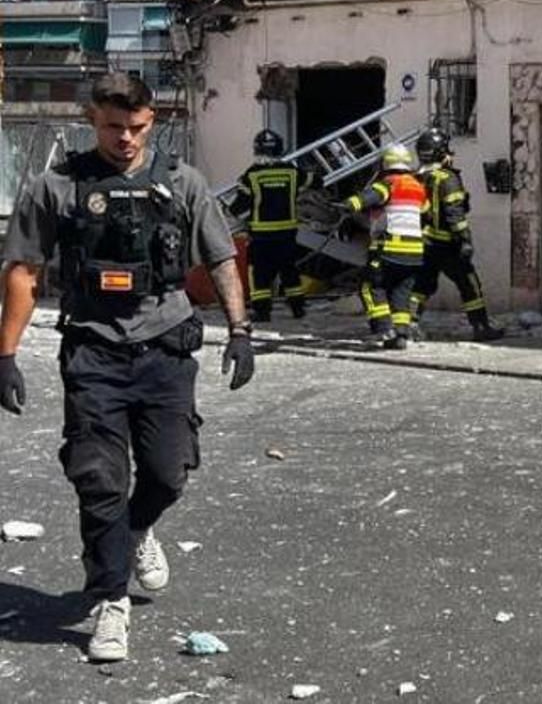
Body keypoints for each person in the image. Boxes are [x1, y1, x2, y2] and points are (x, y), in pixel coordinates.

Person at [0, 72, 255, 663]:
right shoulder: (57, 186)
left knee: (167, 474)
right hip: (92, 351)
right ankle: (110, 599)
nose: (125, 139)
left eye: (136, 128)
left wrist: (241, 332)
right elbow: (23, 270)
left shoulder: (182, 183)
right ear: (93, 120)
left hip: (165, 350)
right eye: (114, 127)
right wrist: (5, 353)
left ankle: (137, 531)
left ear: (152, 122)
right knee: (98, 478)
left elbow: (220, 257)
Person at [409, 128, 506, 342]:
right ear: (440, 152)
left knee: (422, 285)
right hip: (448, 244)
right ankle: (481, 326)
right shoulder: (448, 178)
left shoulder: (417, 177)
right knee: (469, 284)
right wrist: (465, 240)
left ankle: (409, 325)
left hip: (424, 242)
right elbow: (455, 213)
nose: (451, 154)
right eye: (447, 150)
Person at [344, 145, 428, 350]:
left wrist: (348, 204)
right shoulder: (418, 187)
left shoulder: (387, 184)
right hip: (415, 252)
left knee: (370, 286)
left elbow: (366, 199)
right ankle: (400, 334)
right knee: (401, 292)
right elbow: (424, 211)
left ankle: (383, 328)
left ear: (385, 163)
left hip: (389, 247)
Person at [229, 129, 313, 323]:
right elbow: (315, 181)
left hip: (261, 236)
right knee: (290, 271)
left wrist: (230, 212)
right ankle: (298, 309)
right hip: (287, 234)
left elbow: (240, 205)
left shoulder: (252, 175)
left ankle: (262, 312)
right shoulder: (292, 171)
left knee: (260, 275)